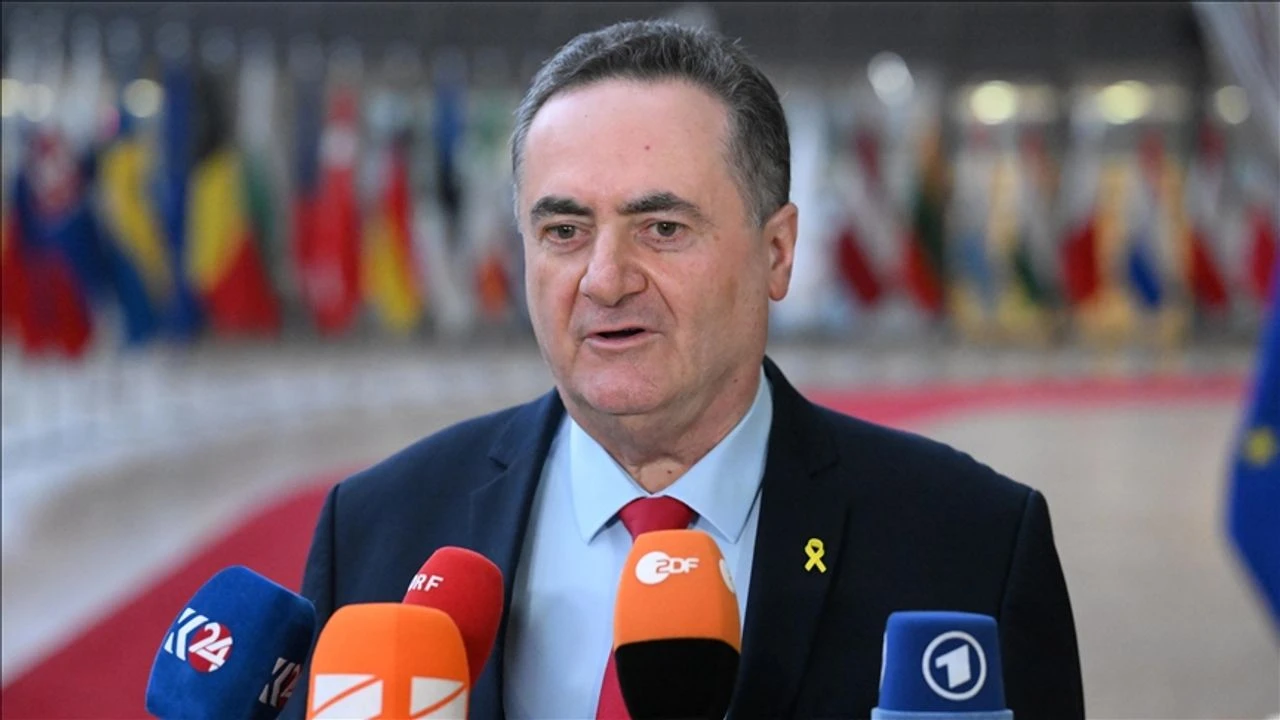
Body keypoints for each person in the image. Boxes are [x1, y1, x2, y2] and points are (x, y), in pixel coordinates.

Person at [285, 20, 1085, 720]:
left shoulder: (972, 546)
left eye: (662, 228)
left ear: (778, 253)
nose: (605, 279)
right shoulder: (377, 529)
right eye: (564, 231)